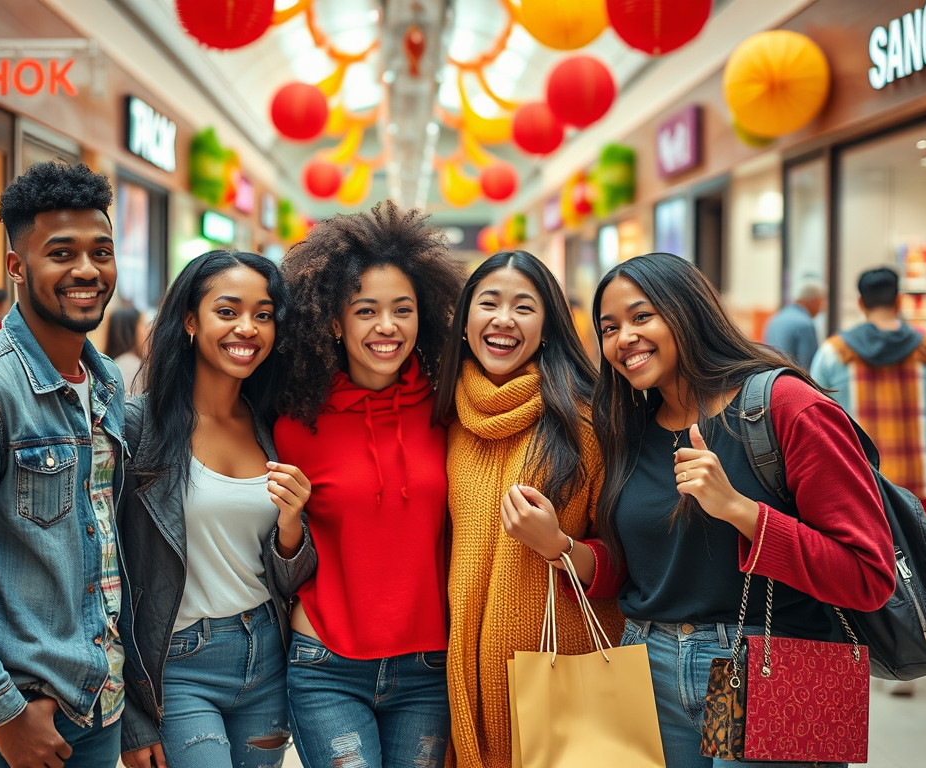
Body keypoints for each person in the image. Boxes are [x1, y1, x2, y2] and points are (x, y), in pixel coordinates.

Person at [581, 252, 894, 768]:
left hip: (774, 660)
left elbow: (868, 576)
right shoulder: (629, 427)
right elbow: (651, 569)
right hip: (649, 663)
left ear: (688, 311)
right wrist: (563, 548)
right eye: (609, 327)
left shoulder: (786, 406)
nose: (623, 339)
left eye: (641, 317)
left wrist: (739, 510)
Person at [0, 161, 127, 767]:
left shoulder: (107, 380)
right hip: (22, 712)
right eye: (61, 253)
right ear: (17, 265)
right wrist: (2, 713)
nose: (87, 270)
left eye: (102, 251)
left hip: (100, 697)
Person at [273, 201, 464, 768]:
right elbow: (276, 551)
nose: (387, 327)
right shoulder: (294, 421)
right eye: (366, 311)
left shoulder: (446, 409)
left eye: (402, 309)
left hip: (427, 666)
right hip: (326, 664)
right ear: (334, 321)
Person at [118, 250, 315, 768]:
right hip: (179, 665)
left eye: (264, 314)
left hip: (267, 655)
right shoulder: (137, 427)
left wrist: (292, 526)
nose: (247, 328)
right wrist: (132, 717)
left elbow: (287, 575)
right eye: (227, 311)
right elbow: (104, 572)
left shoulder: (274, 425)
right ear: (189, 320)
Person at [433, 250, 623, 768]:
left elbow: (629, 562)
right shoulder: (446, 417)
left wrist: (557, 546)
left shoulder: (587, 420)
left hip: (562, 682)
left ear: (549, 325)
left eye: (524, 307)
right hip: (458, 682)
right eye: (488, 302)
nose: (503, 319)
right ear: (465, 320)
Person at [811, 267, 926, 696]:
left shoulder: (835, 352)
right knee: (918, 562)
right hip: (917, 472)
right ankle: (917, 639)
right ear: (900, 299)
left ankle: (869, 641)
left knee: (864, 560)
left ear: (859, 301)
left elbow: (817, 413)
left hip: (861, 476)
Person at [762, 279, 825, 368]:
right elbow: (807, 365)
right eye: (820, 302)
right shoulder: (805, 325)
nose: (822, 308)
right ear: (813, 301)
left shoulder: (775, 318)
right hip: (793, 378)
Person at [105, 304, 148, 396]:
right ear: (131, 330)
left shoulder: (110, 365)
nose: (148, 332)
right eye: (143, 326)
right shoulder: (135, 368)